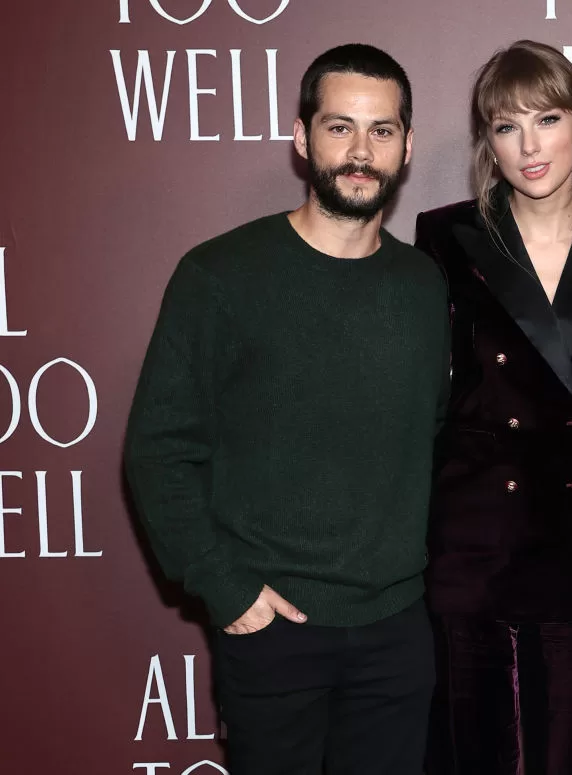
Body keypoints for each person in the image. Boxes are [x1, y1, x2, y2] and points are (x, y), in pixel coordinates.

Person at [124, 44, 448, 775]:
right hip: (272, 630)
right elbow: (158, 448)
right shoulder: (219, 275)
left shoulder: (425, 286)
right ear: (302, 139)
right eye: (339, 128)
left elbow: (430, 436)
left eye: (382, 131)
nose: (361, 151)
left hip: (397, 633)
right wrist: (229, 589)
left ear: (406, 147)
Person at [415, 39, 572, 775]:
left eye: (546, 119)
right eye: (505, 126)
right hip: (473, 538)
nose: (528, 146)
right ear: (486, 139)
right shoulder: (448, 236)